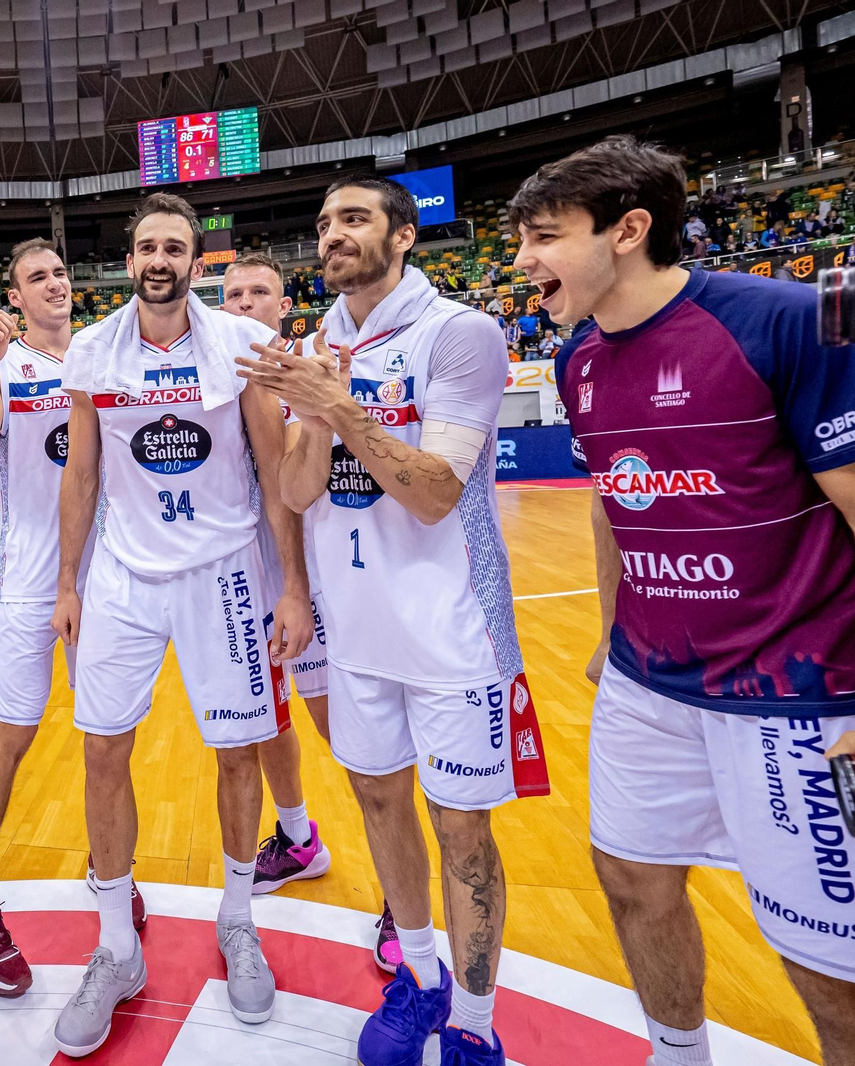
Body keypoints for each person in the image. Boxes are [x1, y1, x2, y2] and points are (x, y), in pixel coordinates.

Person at [513, 134, 855, 1066]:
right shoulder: (579, 360)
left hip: (802, 699)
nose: (523, 264)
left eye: (545, 238)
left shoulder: (791, 321)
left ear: (629, 231)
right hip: (650, 690)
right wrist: (610, 628)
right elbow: (613, 500)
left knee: (841, 989)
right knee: (631, 882)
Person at [241, 175, 548, 1066]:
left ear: (404, 235)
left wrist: (337, 406)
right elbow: (297, 492)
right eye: (325, 223)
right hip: (359, 631)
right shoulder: (323, 341)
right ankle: (420, 982)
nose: (332, 235)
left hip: (453, 631)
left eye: (355, 219)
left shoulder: (461, 334)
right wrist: (316, 414)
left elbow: (434, 494)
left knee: (463, 833)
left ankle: (479, 1028)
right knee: (379, 801)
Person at [51, 192, 312, 1056]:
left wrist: (292, 587)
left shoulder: (240, 344)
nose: (158, 259)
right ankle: (117, 948)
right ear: (128, 261)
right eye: (145, 247)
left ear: (197, 264)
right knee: (101, 747)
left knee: (237, 752)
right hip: (123, 577)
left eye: (174, 247)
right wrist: (67, 584)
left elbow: (275, 473)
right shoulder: (92, 349)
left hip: (225, 573)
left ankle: (237, 919)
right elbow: (80, 476)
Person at [0, 238, 123, 997]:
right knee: (13, 733)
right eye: (36, 278)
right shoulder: (8, 365)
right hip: (30, 581)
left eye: (60, 272)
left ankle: (108, 868)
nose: (54, 284)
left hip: (106, 578)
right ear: (15, 298)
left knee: (107, 738)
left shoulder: (100, 355)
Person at [218, 252, 337, 898]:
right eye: (232, 294)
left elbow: (290, 485)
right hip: (247, 579)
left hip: (314, 579)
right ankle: (297, 839)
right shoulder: (217, 377)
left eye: (258, 292)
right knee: (268, 719)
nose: (242, 304)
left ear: (283, 306)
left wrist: (299, 587)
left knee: (347, 737)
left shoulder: (308, 368)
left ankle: (398, 898)